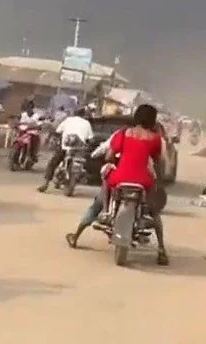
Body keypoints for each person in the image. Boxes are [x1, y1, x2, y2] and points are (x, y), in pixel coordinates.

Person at [65, 104, 169, 266]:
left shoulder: (123, 133)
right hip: (143, 180)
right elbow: (158, 162)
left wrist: (113, 159)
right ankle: (162, 250)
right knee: (154, 212)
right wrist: (158, 181)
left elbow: (109, 155)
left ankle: (90, 224)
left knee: (99, 196)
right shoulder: (155, 139)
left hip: (120, 179)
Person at [38, 107, 93, 192]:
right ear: (83, 114)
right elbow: (90, 138)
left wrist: (55, 138)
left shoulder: (68, 120)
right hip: (79, 149)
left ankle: (45, 184)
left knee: (52, 163)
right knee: (82, 164)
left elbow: (58, 131)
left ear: (74, 113)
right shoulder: (87, 123)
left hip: (65, 147)